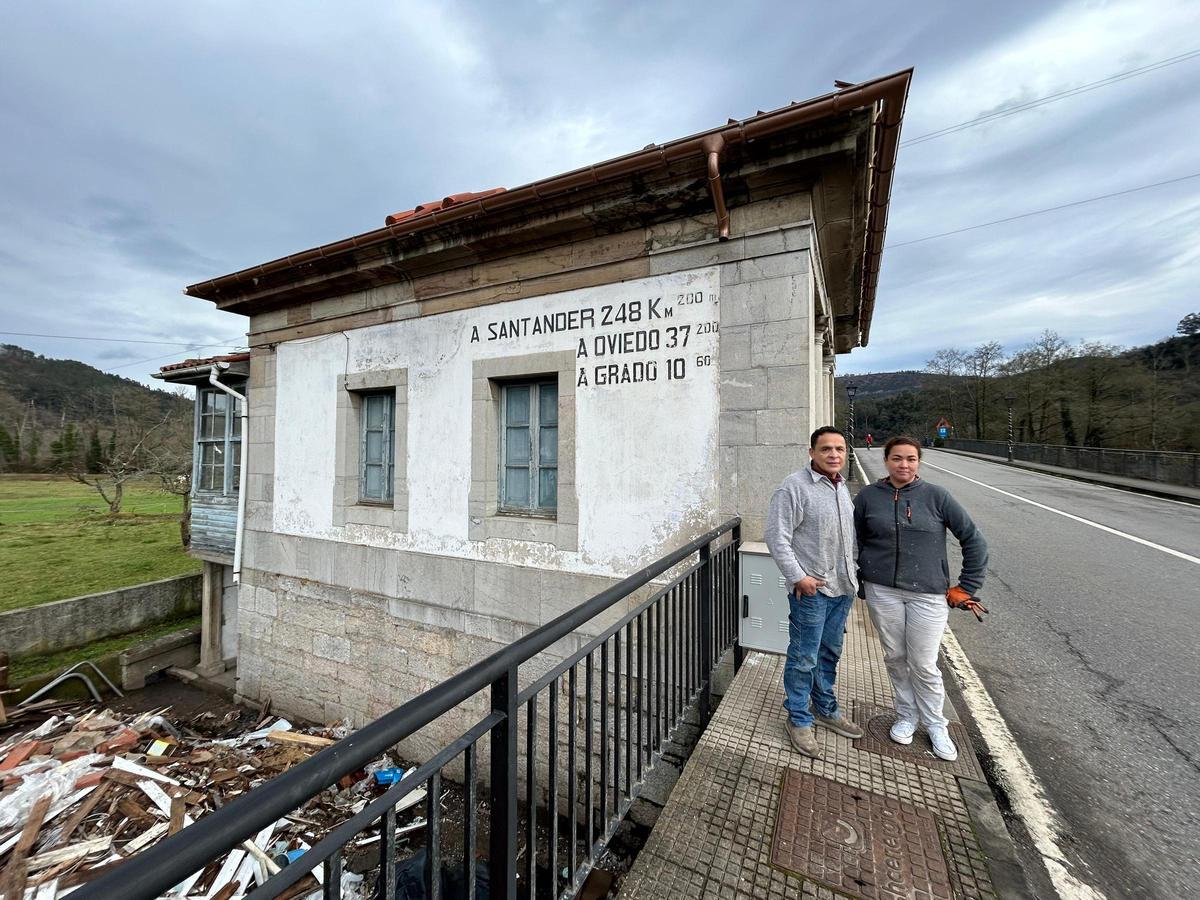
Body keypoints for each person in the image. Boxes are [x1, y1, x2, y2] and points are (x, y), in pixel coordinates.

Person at [852, 435, 988, 761]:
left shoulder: (937, 497)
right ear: (886, 461)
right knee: (895, 657)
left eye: (911, 459)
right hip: (882, 590)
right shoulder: (869, 497)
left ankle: (936, 723)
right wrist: (858, 579)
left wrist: (966, 586)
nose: (904, 465)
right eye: (897, 458)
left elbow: (974, 540)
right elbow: (853, 541)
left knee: (924, 663)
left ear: (918, 462)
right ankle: (906, 715)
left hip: (927, 594)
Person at [764, 426, 863, 758]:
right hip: (812, 591)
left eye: (839, 449)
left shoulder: (841, 487)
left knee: (829, 652)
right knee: (803, 656)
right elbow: (777, 538)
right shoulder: (793, 487)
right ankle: (798, 717)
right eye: (826, 449)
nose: (834, 455)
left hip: (843, 588)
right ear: (812, 453)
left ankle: (825, 707)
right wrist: (798, 577)